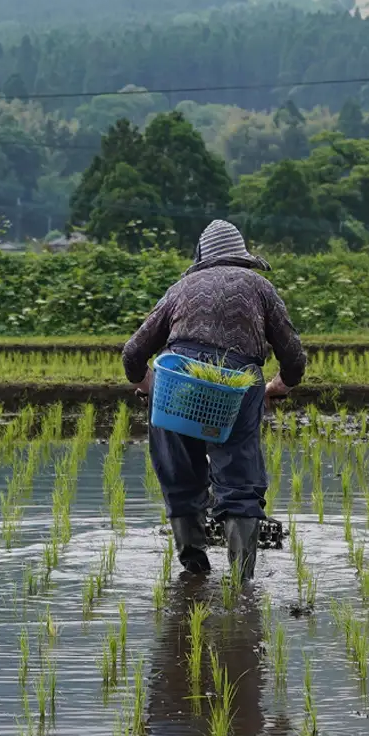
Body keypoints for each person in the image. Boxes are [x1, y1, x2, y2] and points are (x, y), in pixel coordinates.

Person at [123, 219, 307, 580]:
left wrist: (150, 385)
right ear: (241, 256)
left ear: (202, 256)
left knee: (178, 471)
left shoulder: (181, 288)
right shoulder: (260, 287)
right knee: (239, 479)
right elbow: (294, 356)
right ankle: (241, 581)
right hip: (236, 386)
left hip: (179, 385)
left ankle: (194, 569)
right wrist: (278, 386)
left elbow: (133, 353)